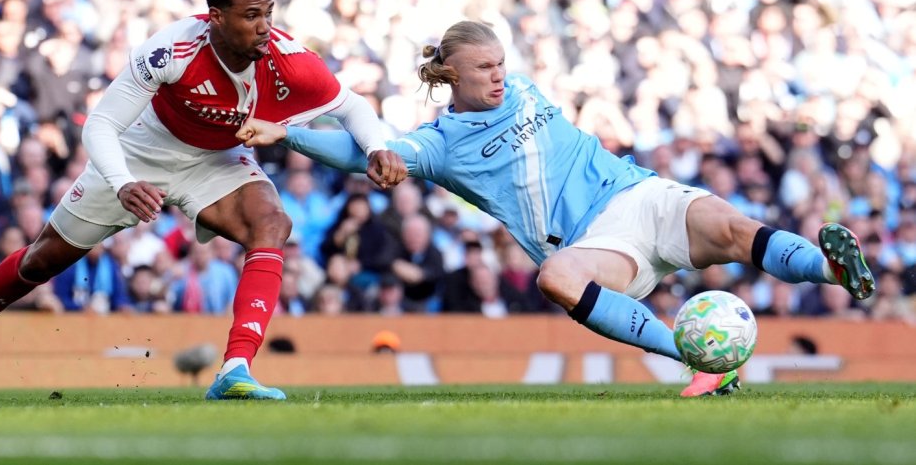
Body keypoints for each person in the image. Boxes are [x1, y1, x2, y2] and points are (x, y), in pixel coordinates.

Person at [235, 20, 877, 397]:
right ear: (452, 76)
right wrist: (288, 134)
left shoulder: (521, 87)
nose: (498, 75)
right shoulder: (439, 144)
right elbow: (363, 152)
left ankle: (831, 270)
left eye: (500, 64)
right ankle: (698, 361)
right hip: (594, 242)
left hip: (638, 192)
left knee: (735, 227)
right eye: (483, 68)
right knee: (556, 278)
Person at [0, 0, 407, 400]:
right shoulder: (172, 50)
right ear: (216, 17)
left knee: (272, 223)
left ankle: (235, 370)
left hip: (217, 161)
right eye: (251, 16)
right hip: (140, 153)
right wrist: (121, 182)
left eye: (268, 12)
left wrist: (376, 146)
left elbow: (350, 106)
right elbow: (101, 125)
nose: (265, 26)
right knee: (42, 260)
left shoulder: (290, 61)